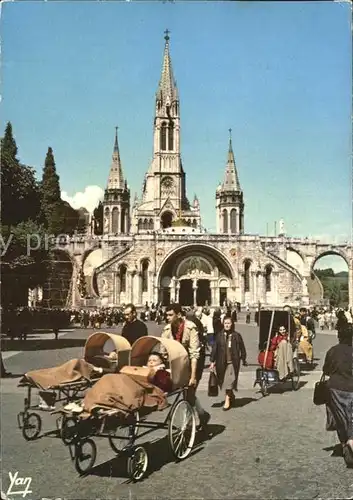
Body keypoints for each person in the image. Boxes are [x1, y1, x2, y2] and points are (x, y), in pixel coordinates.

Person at [162, 303, 210, 429]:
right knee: (186, 393)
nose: (167, 317)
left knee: (189, 390)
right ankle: (202, 414)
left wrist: (193, 377)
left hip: (194, 362)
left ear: (178, 315)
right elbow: (163, 350)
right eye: (166, 315)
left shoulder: (190, 327)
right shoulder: (167, 329)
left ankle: (188, 423)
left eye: (170, 315)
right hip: (179, 362)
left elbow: (194, 354)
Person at [323, 327, 353, 467]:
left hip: (335, 388)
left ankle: (345, 443)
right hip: (351, 388)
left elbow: (326, 370)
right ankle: (350, 441)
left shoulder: (332, 350)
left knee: (340, 416)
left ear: (339, 336)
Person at [210, 316, 247, 411]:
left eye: (229, 323)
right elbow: (215, 349)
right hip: (221, 362)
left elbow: (242, 348)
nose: (227, 325)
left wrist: (243, 358)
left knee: (229, 381)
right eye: (225, 323)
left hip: (233, 362)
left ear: (232, 324)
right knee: (224, 381)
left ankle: (227, 400)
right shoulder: (219, 335)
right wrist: (212, 361)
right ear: (223, 324)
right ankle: (231, 395)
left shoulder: (236, 335)